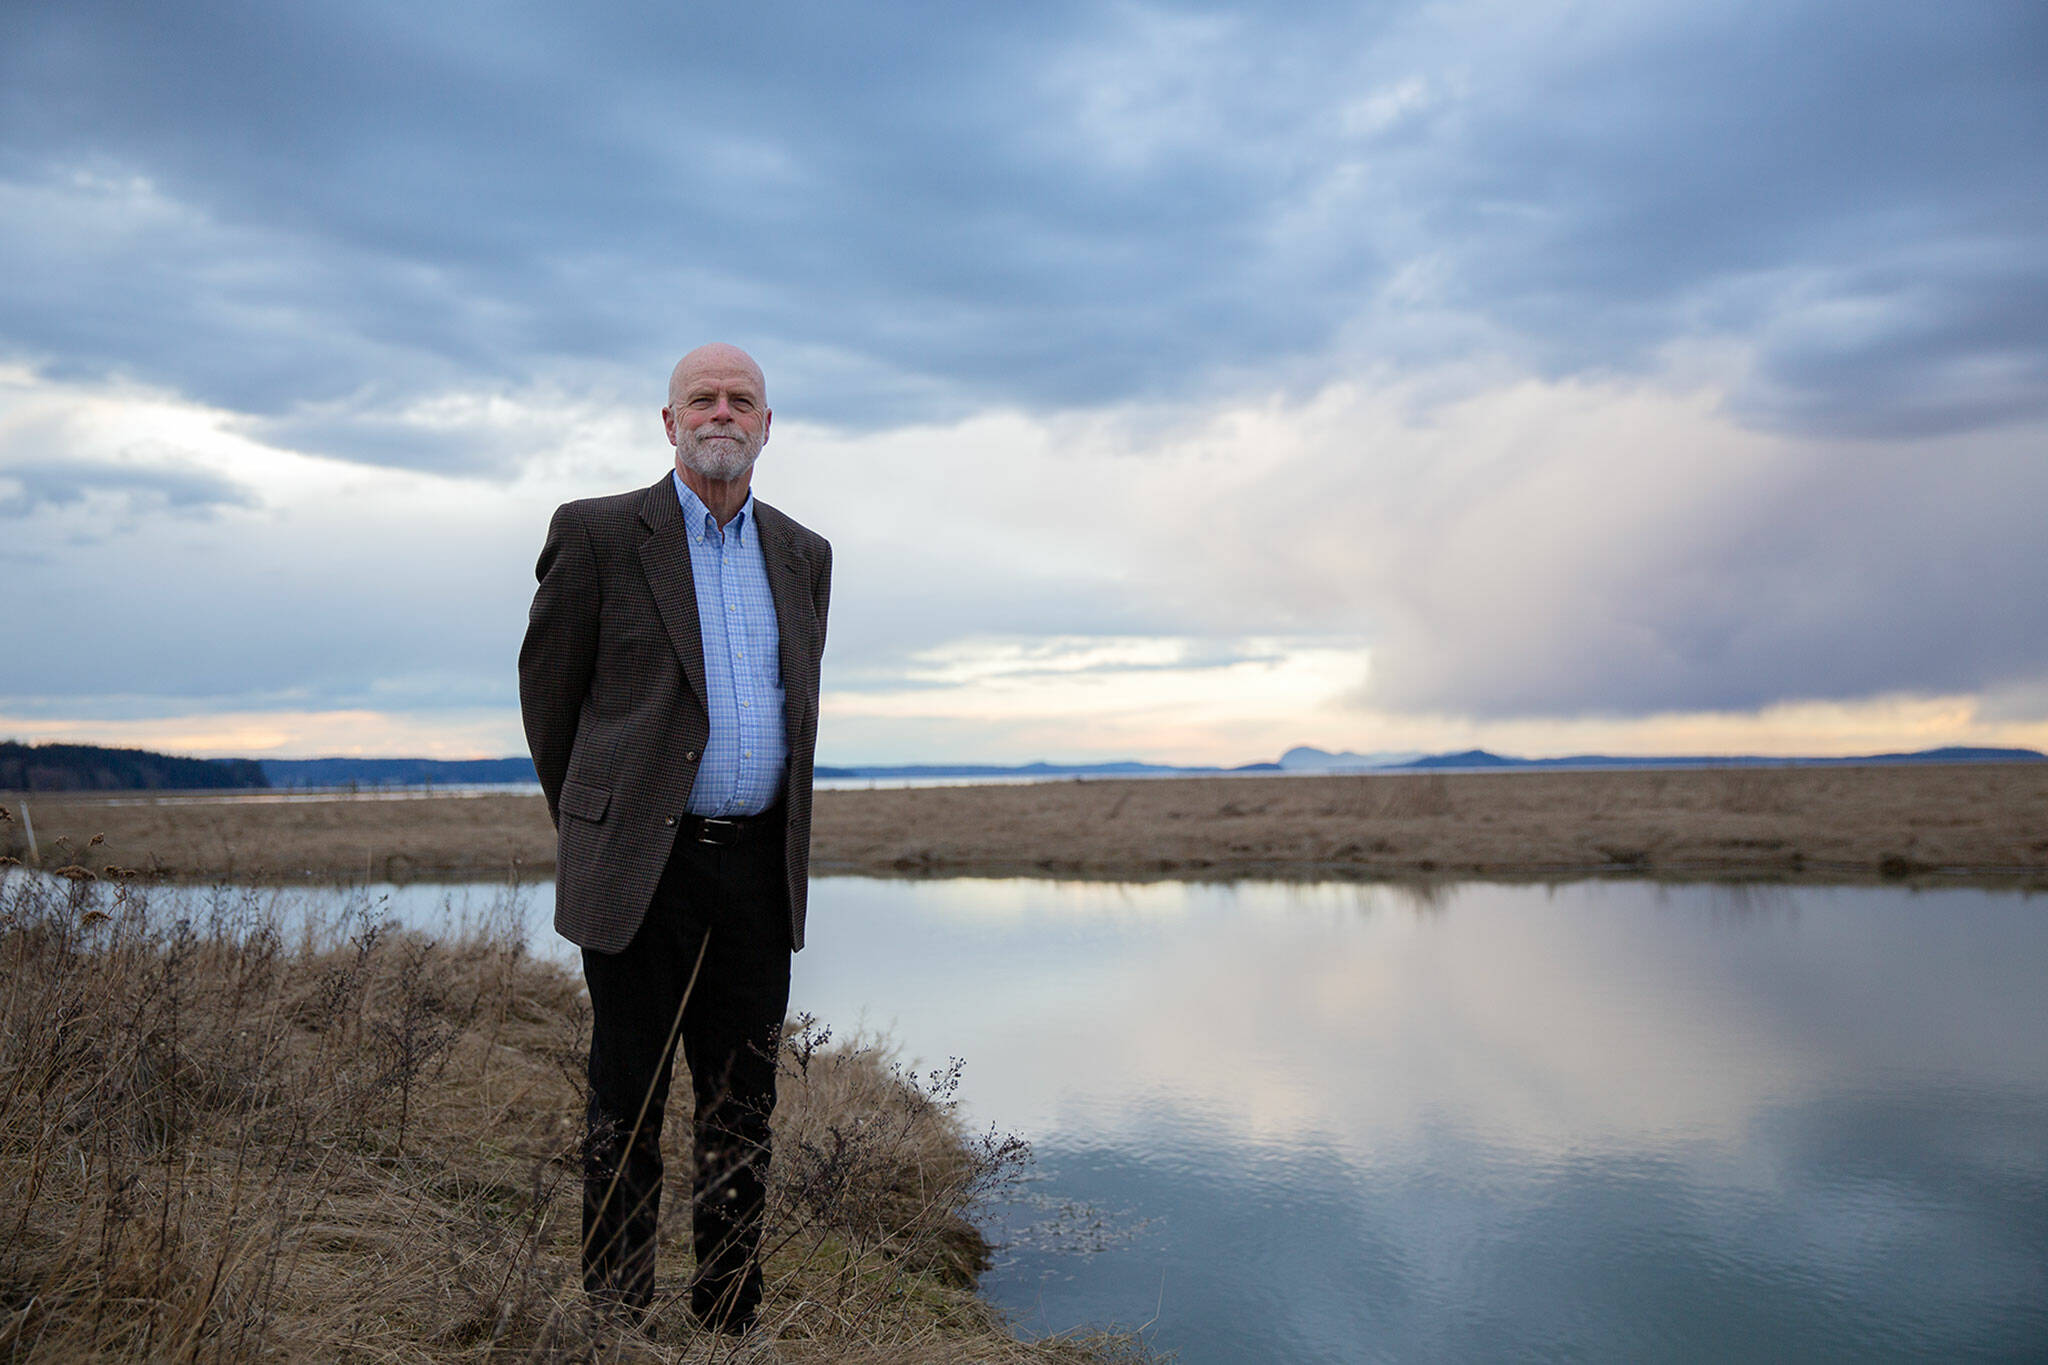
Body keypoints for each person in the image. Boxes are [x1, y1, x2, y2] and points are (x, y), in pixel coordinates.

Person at [518, 343, 831, 1335]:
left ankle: (728, 1319)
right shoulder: (601, 534)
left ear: (767, 426)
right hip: (643, 873)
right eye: (703, 398)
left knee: (743, 1108)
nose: (722, 413)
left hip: (756, 866)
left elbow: (797, 707)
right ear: (668, 422)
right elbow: (549, 704)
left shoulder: (803, 553)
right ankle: (614, 1319)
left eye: (743, 400)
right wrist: (599, 827)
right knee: (628, 1104)